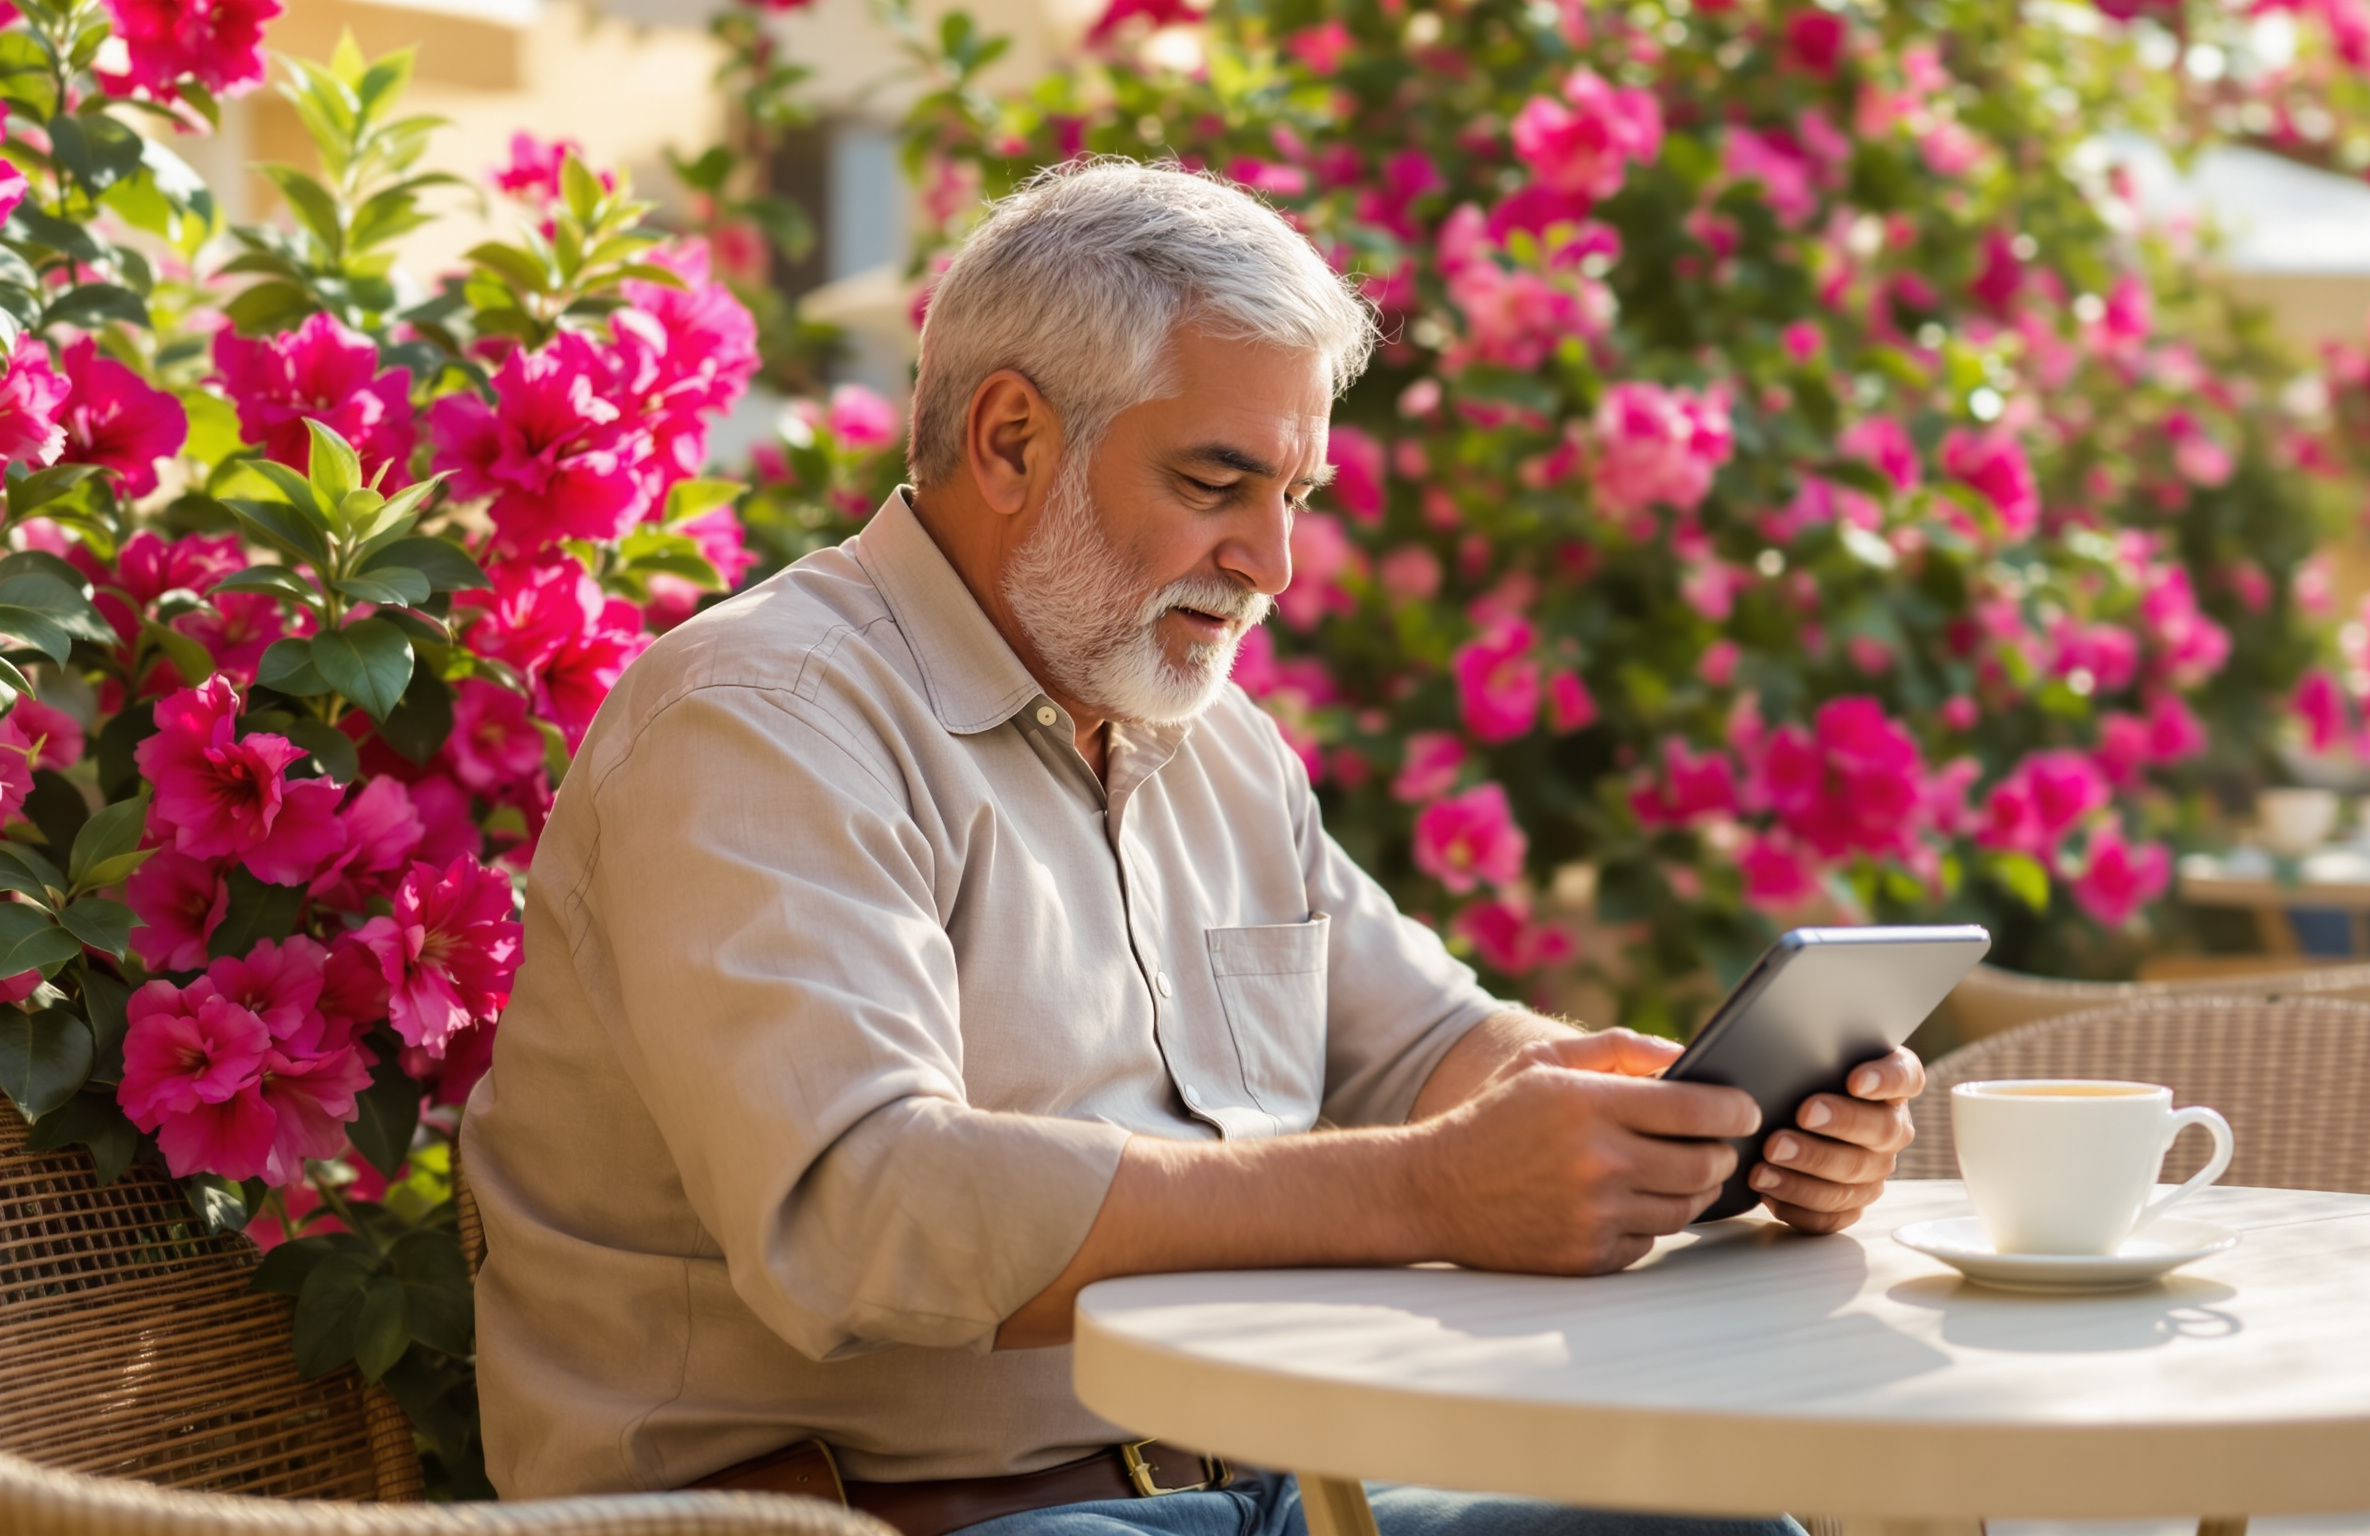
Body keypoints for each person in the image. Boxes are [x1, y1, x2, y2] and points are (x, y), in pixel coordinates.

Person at [462, 158, 1923, 1536]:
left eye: (1293, 499)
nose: (1272, 565)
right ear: (1012, 440)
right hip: (888, 1516)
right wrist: (1437, 1190)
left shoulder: (1204, 740)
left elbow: (1432, 1049)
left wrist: (1708, 1118)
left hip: (1252, 1493)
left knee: (1707, 1522)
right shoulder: (762, 719)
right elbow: (863, 1213)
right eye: (1217, 485)